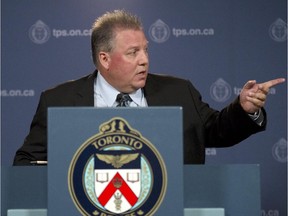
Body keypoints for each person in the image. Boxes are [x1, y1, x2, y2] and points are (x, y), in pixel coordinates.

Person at [13, 10, 285, 165]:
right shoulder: (58, 100)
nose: (144, 59)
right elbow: (26, 163)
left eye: (145, 50)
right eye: (133, 52)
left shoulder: (179, 91)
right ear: (104, 59)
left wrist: (244, 108)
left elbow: (217, 130)